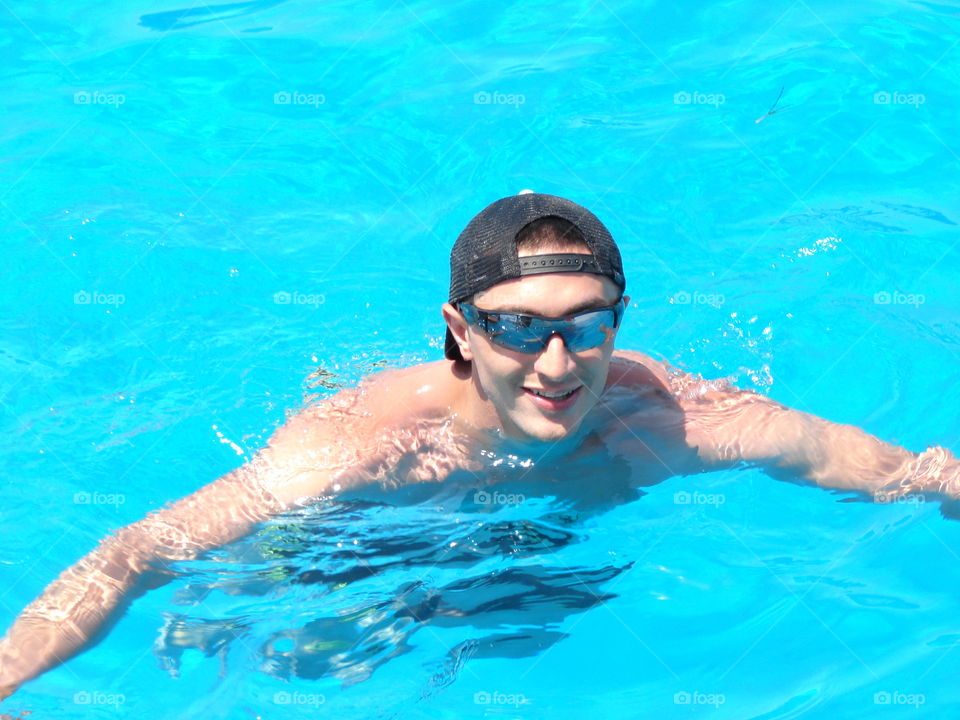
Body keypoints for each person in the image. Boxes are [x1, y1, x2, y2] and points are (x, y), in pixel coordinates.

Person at [1, 191, 957, 700]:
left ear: (620, 323)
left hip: (536, 550)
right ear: (458, 330)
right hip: (362, 535)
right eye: (516, 328)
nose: (556, 363)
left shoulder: (680, 421)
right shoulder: (361, 447)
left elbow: (905, 475)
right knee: (293, 642)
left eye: (587, 326)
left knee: (533, 614)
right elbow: (133, 552)